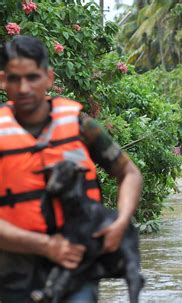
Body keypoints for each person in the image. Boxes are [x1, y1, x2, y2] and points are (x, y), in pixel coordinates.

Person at [0, 35, 143, 302]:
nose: (24, 88)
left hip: (79, 267)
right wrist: (47, 246)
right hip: (13, 273)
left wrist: (121, 221)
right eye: (14, 79)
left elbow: (130, 173)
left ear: (49, 78)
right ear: (2, 80)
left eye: (32, 77)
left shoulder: (80, 125)